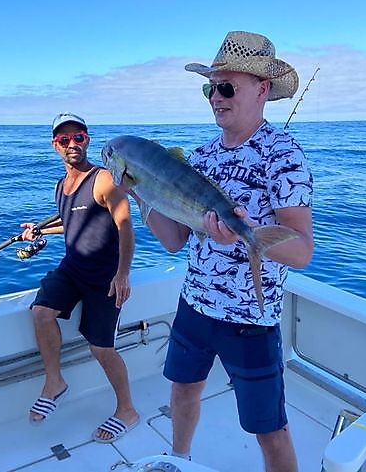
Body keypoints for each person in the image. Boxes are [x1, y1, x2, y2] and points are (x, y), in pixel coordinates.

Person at [132, 32, 313, 471]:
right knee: (182, 390)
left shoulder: (283, 156)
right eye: (210, 88)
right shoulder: (200, 156)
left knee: (269, 428)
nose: (216, 97)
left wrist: (251, 231)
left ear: (262, 89)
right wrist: (141, 194)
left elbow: (303, 251)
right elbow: (176, 241)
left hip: (251, 321)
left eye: (227, 87)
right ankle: (179, 459)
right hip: (195, 304)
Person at [21, 112, 139, 443]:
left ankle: (127, 409)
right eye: (64, 140)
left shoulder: (103, 179)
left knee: (101, 348)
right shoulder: (62, 186)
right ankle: (54, 381)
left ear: (87, 139)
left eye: (78, 138)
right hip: (72, 267)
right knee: (41, 313)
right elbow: (73, 222)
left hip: (104, 276)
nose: (72, 144)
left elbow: (125, 224)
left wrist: (123, 273)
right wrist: (39, 230)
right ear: (55, 146)